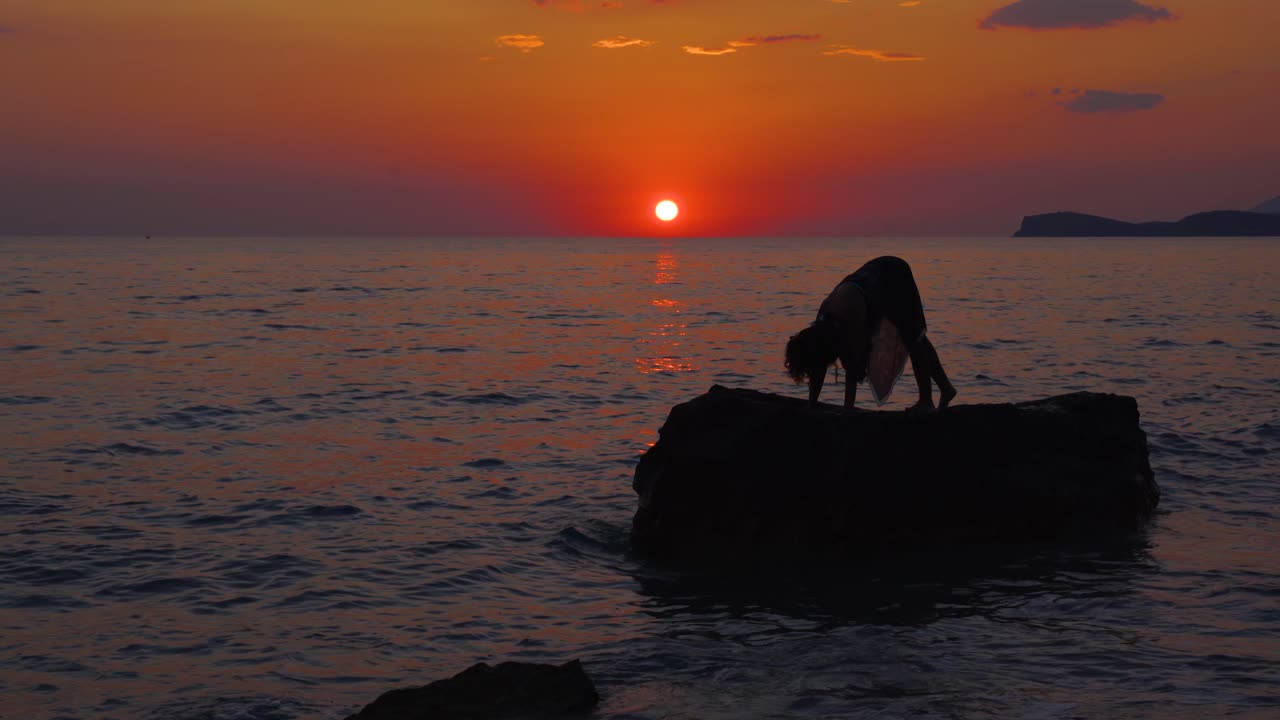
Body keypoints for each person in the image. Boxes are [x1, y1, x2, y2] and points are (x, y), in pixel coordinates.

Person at [785, 256, 956, 411]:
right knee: (916, 337)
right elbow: (818, 369)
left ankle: (926, 400)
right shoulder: (821, 326)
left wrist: (848, 410)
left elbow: (853, 362)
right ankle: (946, 389)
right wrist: (811, 405)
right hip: (873, 286)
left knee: (912, 336)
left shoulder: (850, 313)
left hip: (894, 274)